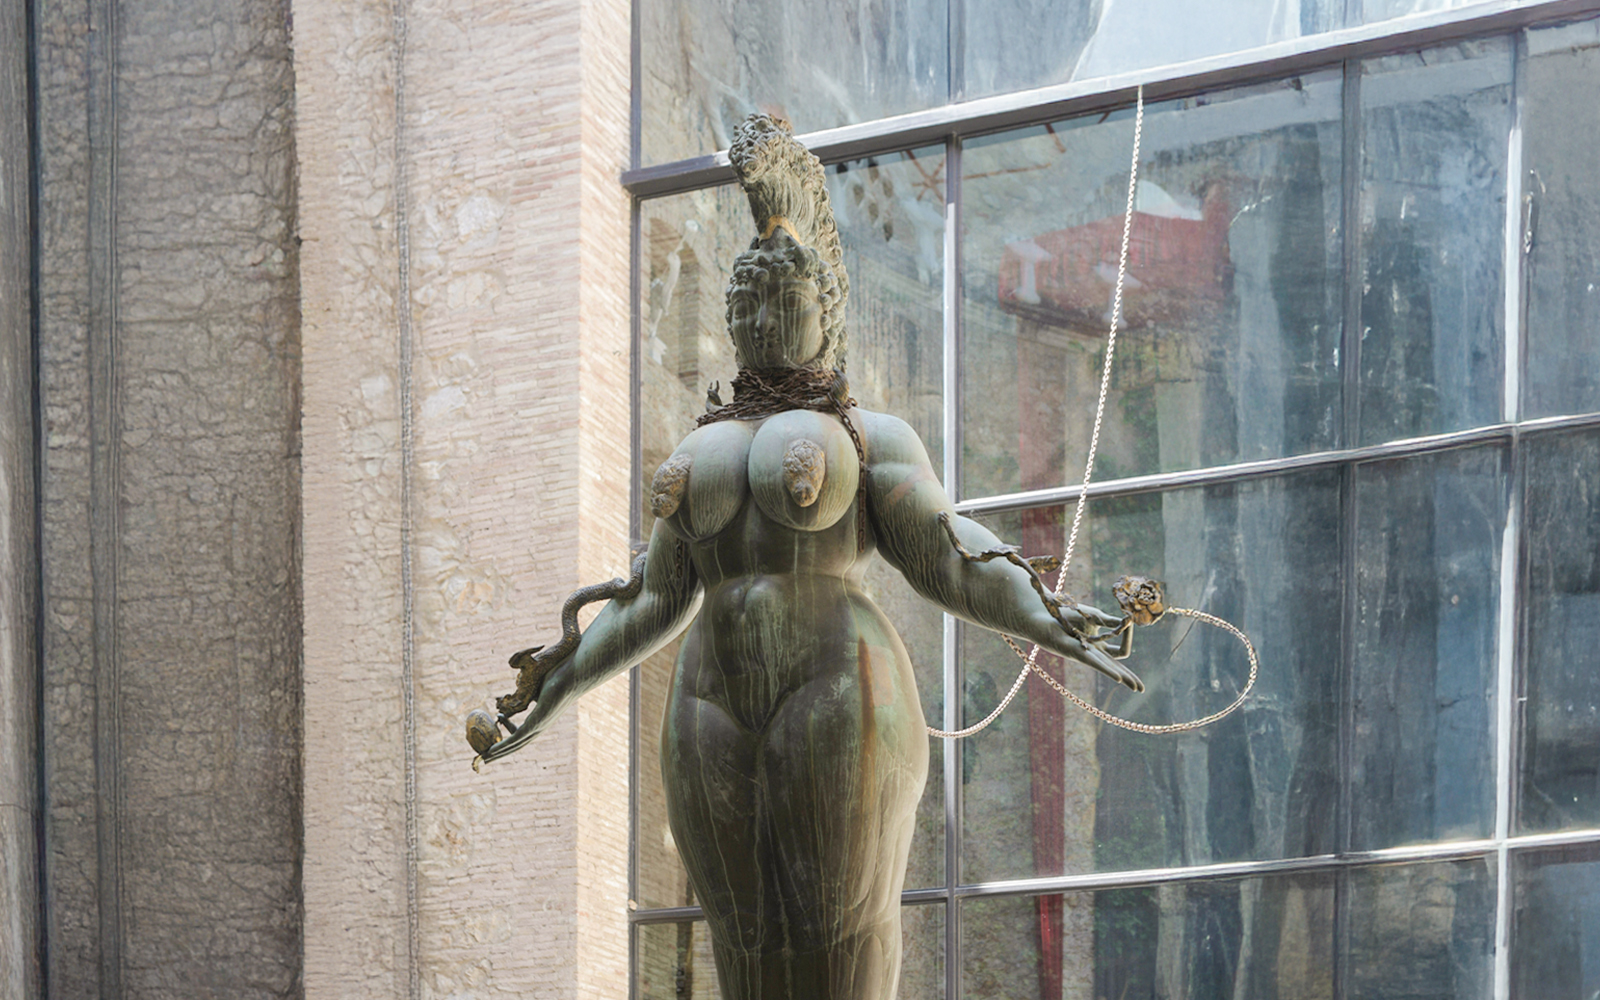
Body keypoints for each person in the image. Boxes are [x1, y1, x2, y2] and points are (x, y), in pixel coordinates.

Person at [475, 114, 1141, 1000]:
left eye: (786, 303)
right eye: (750, 306)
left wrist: (1057, 618)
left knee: (837, 926)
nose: (766, 319)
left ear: (826, 313)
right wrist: (549, 692)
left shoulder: (869, 436)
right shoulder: (702, 444)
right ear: (732, 318)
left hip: (839, 679)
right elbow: (649, 599)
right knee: (739, 932)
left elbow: (949, 554)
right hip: (708, 690)